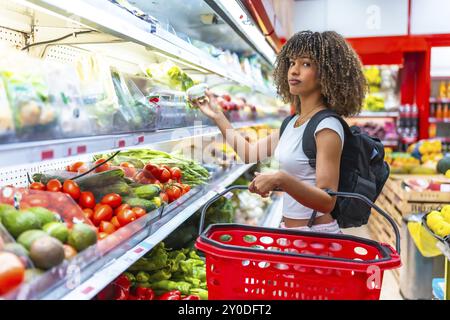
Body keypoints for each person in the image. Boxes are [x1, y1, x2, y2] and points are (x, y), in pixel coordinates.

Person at [190, 31, 367, 233]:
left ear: (327, 73)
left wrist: (280, 179)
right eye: (292, 63)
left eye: (306, 64)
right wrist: (218, 116)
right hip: (291, 234)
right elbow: (249, 154)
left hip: (316, 238)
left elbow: (327, 201)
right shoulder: (292, 123)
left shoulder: (327, 127)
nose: (294, 71)